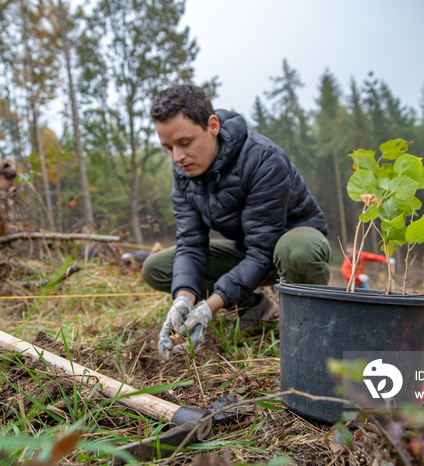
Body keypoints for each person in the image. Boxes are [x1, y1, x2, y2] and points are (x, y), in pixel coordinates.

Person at [141, 84, 331, 360]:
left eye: (184, 143)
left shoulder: (263, 159)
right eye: (168, 147)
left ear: (213, 126)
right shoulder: (183, 174)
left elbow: (264, 250)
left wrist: (210, 307)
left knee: (297, 252)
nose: (177, 157)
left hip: (292, 245)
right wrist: (183, 301)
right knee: (156, 268)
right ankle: (255, 307)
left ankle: (309, 326)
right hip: (250, 251)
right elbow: (191, 245)